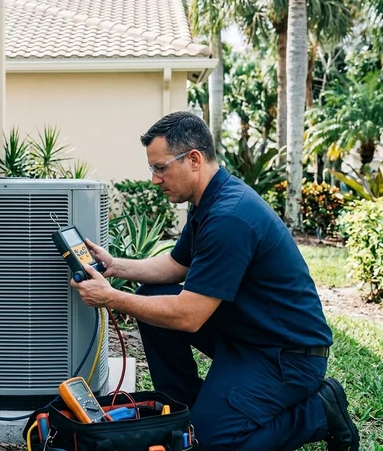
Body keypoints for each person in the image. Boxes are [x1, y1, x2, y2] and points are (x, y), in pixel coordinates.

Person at [72, 111, 359, 451]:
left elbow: (188, 316)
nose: (154, 179)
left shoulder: (229, 216)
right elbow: (176, 266)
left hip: (287, 356)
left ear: (193, 159)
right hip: (247, 336)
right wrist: (115, 266)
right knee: (154, 296)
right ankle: (183, 411)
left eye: (160, 167)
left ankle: (320, 411)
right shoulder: (207, 201)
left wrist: (111, 298)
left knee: (207, 444)